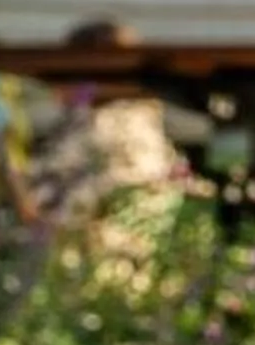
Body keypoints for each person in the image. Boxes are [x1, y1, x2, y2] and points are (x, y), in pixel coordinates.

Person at [30, 18, 184, 267]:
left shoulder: (100, 121)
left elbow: (52, 190)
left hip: (95, 246)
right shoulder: (141, 113)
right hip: (132, 241)